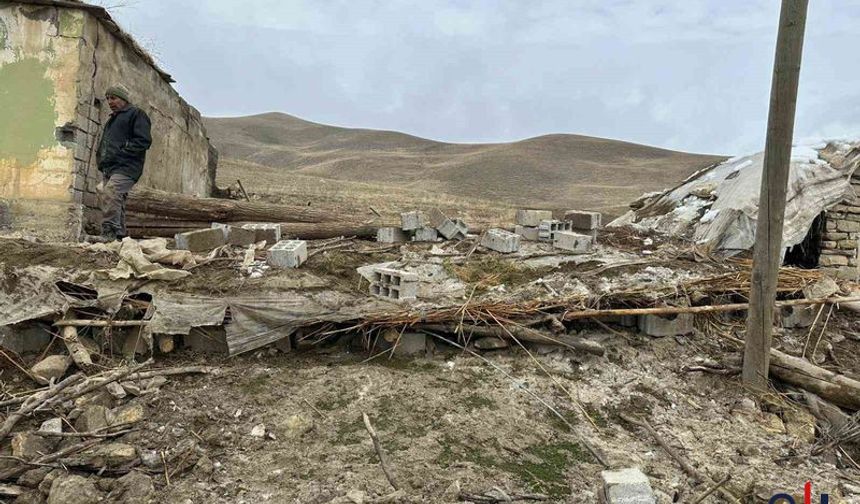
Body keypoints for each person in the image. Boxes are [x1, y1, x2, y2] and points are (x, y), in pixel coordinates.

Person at [94, 85, 152, 241]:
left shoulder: (136, 114)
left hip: (127, 167)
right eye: (107, 99)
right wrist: (101, 160)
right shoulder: (113, 119)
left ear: (123, 99)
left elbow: (143, 141)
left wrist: (122, 153)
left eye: (113, 98)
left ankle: (109, 232)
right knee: (114, 197)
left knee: (111, 192)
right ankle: (119, 235)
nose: (110, 102)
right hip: (110, 167)